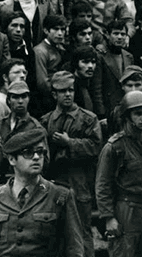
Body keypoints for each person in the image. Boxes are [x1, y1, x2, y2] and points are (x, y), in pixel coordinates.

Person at [0, 128, 87, 256]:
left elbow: (74, 248)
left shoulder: (60, 195)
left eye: (40, 152)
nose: (36, 157)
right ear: (12, 160)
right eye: (28, 153)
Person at [96, 91, 142, 257]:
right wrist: (108, 217)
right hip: (127, 206)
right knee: (123, 252)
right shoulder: (115, 147)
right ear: (127, 116)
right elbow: (103, 184)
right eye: (138, 114)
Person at [42, 71, 103, 257]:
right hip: (55, 181)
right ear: (54, 95)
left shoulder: (88, 118)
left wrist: (70, 143)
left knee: (82, 231)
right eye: (62, 91)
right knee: (56, 233)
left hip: (80, 182)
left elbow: (96, 147)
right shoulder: (46, 121)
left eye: (70, 90)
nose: (68, 94)